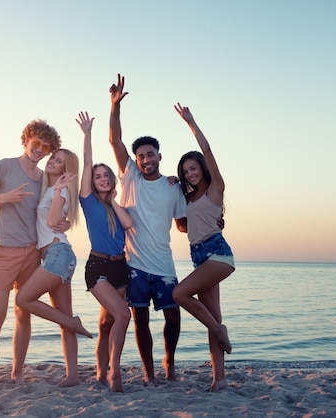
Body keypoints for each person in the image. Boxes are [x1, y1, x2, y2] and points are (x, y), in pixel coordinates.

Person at [0, 119, 67, 387]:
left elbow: (51, 210)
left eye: (45, 147)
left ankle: (17, 373)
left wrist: (63, 221)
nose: (40, 149)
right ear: (26, 139)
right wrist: (4, 198)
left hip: (32, 253)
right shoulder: (3, 167)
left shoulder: (44, 178)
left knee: (22, 312)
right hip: (3, 251)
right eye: (36, 143)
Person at [108, 74, 187, 384]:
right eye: (140, 156)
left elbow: (182, 224)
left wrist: (212, 220)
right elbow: (114, 139)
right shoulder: (130, 176)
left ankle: (169, 360)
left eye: (150, 154)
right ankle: (149, 372)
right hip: (135, 264)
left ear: (159, 156)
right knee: (140, 321)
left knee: (173, 315)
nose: (144, 159)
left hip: (164, 264)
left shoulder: (173, 188)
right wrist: (114, 106)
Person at [15, 147, 92, 388]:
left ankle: (72, 324)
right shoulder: (50, 190)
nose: (53, 162)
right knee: (63, 315)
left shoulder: (60, 192)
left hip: (57, 254)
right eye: (53, 158)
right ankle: (72, 376)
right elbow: (55, 221)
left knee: (23, 299)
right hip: (58, 255)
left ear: (65, 170)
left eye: (59, 162)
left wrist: (58, 190)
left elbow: (50, 221)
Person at [172, 102, 235, 392]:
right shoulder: (189, 199)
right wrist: (173, 185)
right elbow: (183, 227)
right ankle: (219, 379)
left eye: (193, 168)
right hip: (200, 259)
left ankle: (218, 330)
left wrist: (191, 122)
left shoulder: (215, 189)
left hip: (218, 255)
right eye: (185, 171)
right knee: (212, 316)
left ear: (202, 169)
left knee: (179, 293)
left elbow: (208, 152)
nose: (189, 174)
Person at [77, 111, 133, 392]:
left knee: (106, 323)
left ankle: (100, 371)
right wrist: (87, 135)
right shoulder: (87, 201)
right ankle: (115, 371)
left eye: (105, 175)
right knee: (124, 315)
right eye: (97, 176)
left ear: (111, 180)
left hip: (120, 268)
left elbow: (129, 223)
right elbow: (87, 163)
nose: (100, 178)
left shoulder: (115, 205)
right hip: (98, 268)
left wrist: (114, 200)